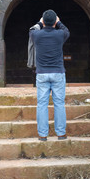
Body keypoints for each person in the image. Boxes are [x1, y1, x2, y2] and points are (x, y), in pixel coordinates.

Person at [29, 9, 70, 141]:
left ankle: (42, 134)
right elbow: (66, 30)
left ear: (43, 21)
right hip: (58, 73)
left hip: (42, 74)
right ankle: (61, 133)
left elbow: (32, 30)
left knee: (42, 104)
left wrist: (40, 22)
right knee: (59, 103)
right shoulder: (60, 34)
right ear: (55, 22)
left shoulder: (36, 35)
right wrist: (59, 22)